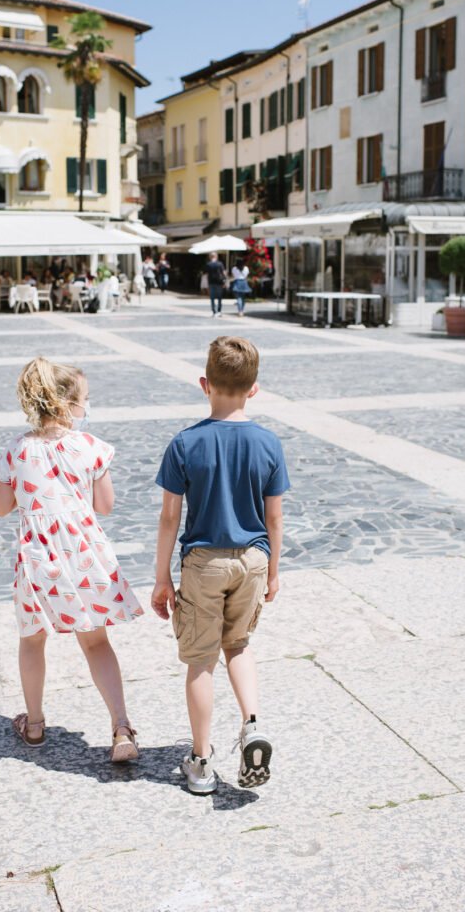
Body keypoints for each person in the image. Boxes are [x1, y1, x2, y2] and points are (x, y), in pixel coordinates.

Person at [151, 336, 289, 794]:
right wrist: (273, 571)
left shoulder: (185, 443)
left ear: (204, 384)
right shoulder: (268, 443)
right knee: (240, 645)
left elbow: (170, 517)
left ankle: (201, 762)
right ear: (254, 389)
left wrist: (161, 578)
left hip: (204, 562)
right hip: (253, 559)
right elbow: (274, 517)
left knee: (200, 661)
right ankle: (252, 725)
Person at [0, 357, 143, 759]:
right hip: (83, 556)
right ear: (67, 404)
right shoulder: (89, 447)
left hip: (38, 559)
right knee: (96, 642)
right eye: (85, 399)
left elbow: (0, 506)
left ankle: (34, 724)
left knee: (32, 641)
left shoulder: (18, 450)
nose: (87, 406)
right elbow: (105, 505)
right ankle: (121, 728)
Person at [205, 252, 226, 317]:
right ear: (216, 256)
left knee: (212, 297)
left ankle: (214, 311)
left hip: (211, 282)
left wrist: (207, 283)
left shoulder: (208, 264)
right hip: (219, 282)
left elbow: (207, 275)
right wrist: (224, 281)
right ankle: (219, 311)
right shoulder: (220, 264)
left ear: (210, 257)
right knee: (219, 297)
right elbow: (224, 273)